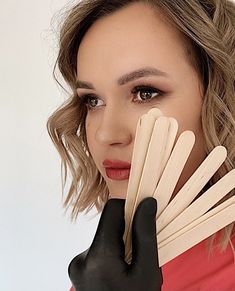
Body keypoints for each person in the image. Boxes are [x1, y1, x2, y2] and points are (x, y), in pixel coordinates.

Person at [47, 0, 235, 290]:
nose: (105, 135)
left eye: (145, 92)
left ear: (222, 97)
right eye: (93, 100)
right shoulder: (109, 269)